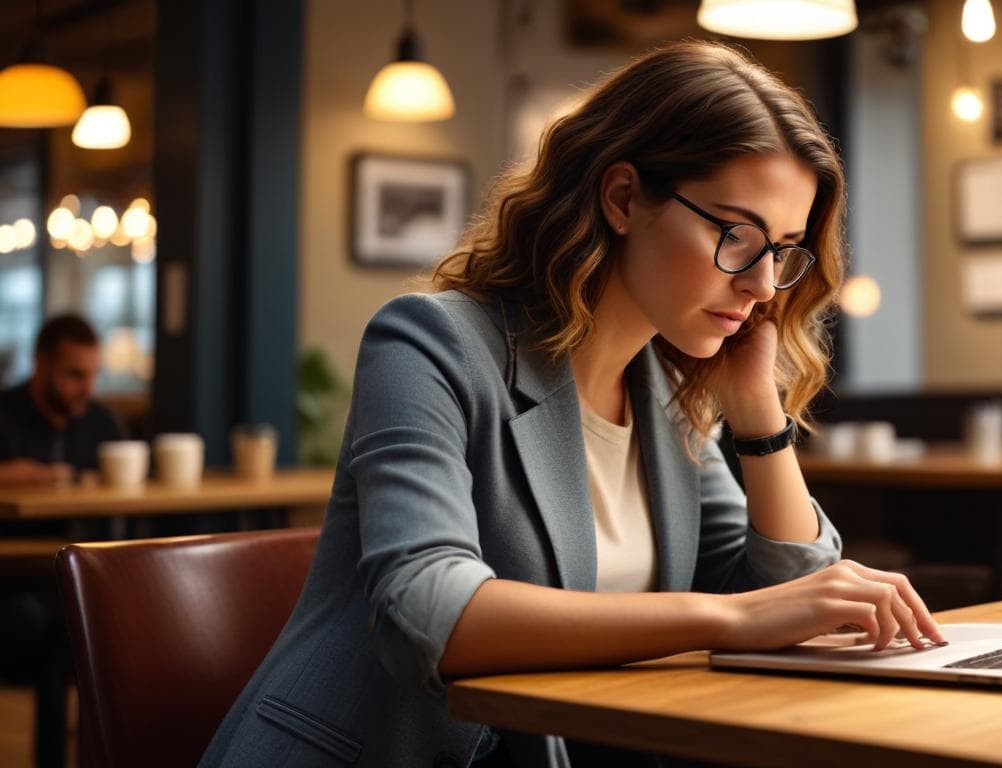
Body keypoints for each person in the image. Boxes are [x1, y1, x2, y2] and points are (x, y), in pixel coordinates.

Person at [203, 41, 943, 768]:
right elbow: (428, 611)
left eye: (782, 249)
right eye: (736, 235)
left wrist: (755, 406)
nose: (761, 285)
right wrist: (730, 617)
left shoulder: (668, 394)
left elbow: (789, 603)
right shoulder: (430, 341)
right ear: (623, 198)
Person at [0, 314, 124, 486]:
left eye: (94, 375)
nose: (89, 390)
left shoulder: (103, 422)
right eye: (76, 374)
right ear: (40, 363)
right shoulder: (5, 414)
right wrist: (17, 474)